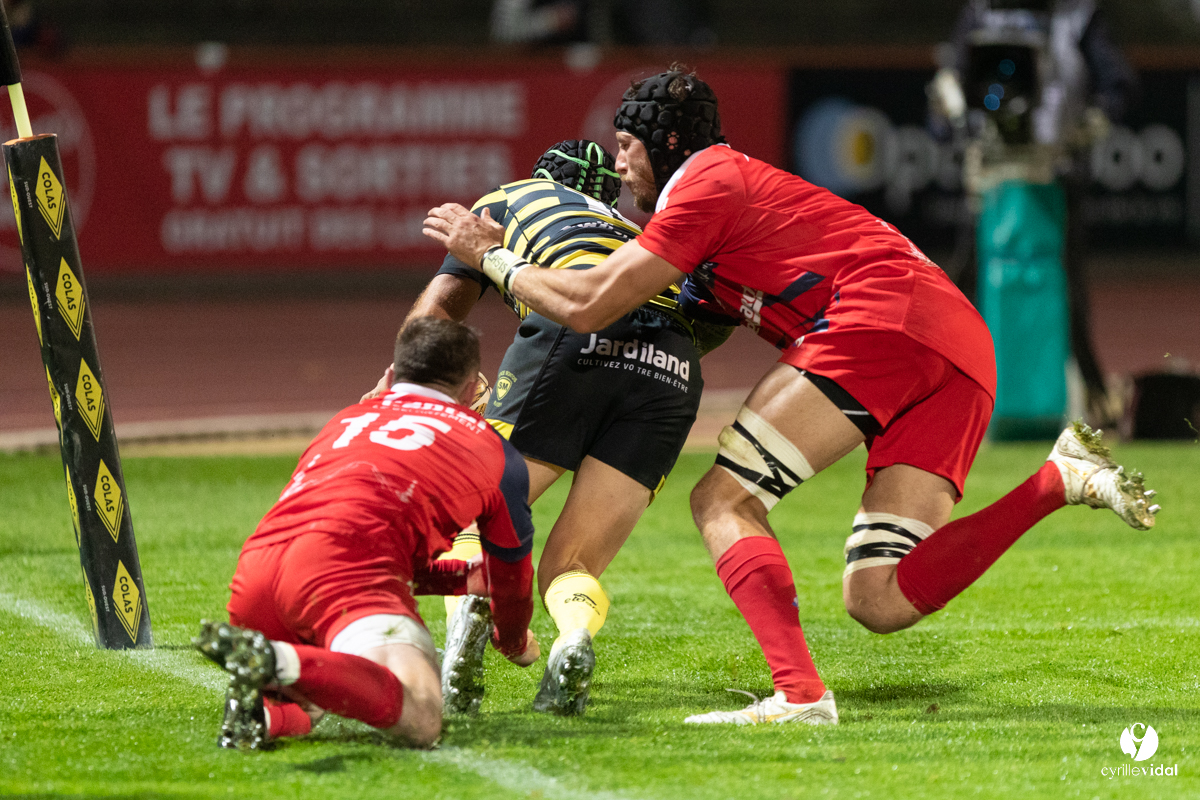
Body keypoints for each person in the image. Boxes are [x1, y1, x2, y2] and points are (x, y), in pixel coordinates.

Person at [422, 66, 1160, 726]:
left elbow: (587, 307)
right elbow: (680, 322)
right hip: (958, 346)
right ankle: (1056, 479)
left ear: (667, 140)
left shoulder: (703, 183)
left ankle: (801, 694)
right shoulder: (721, 203)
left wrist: (491, 253)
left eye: (626, 145)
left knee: (722, 500)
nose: (618, 164)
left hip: (879, 319)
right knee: (879, 598)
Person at [404, 139, 735, 717]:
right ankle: (573, 638)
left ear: (541, 174)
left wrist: (405, 381)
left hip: (571, 332)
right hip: (672, 366)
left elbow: (437, 316)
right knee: (570, 563)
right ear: (606, 193)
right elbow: (703, 325)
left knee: (473, 512)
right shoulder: (633, 232)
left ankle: (463, 628)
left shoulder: (505, 201)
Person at [194, 318, 540, 750]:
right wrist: (512, 642)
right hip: (344, 575)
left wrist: (455, 577)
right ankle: (275, 660)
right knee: (421, 715)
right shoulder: (494, 450)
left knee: (330, 691)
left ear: (392, 377)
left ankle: (264, 713)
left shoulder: (346, 420)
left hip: (257, 574)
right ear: (472, 393)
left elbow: (344, 532)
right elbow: (512, 578)